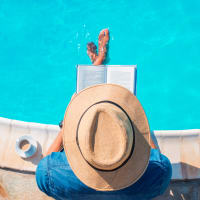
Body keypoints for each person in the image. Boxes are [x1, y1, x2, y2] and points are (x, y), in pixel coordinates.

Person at [35, 29, 172, 200]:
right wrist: (138, 124)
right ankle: (100, 59)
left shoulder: (50, 174)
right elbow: (154, 156)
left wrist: (67, 125)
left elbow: (44, 164)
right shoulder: (160, 173)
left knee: (89, 99)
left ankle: (98, 61)